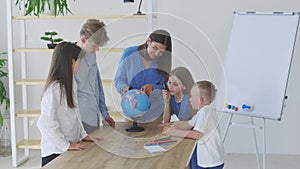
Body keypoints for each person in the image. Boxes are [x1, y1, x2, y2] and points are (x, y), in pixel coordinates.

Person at [37, 42, 100, 167]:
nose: (80, 65)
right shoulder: (54, 89)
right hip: (55, 153)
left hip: (66, 149)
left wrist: (83, 135)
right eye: (79, 62)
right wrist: (66, 145)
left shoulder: (70, 84)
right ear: (72, 62)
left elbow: (75, 116)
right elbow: (46, 124)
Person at [159, 81, 224, 169]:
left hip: (210, 161)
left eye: (192, 97)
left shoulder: (204, 112)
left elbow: (197, 134)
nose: (189, 99)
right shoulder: (203, 111)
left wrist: (174, 132)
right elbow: (188, 124)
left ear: (200, 100)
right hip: (210, 159)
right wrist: (169, 125)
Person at [114, 29, 172, 122]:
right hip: (131, 112)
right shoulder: (129, 53)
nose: (157, 54)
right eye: (155, 48)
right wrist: (124, 88)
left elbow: (166, 87)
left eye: (161, 52)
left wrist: (153, 87)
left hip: (154, 116)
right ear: (148, 41)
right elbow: (119, 79)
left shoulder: (163, 61)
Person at [75, 19, 115, 134]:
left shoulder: (91, 55)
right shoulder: (70, 58)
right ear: (83, 40)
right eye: (95, 45)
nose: (97, 50)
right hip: (77, 122)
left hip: (93, 119)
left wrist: (105, 114)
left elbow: (97, 86)